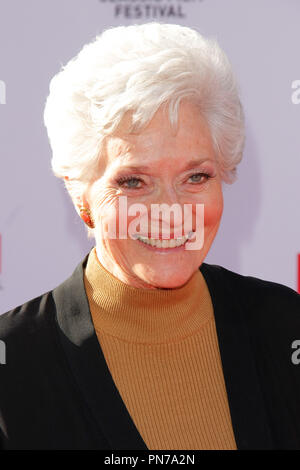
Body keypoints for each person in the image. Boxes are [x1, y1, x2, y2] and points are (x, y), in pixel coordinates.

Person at [0, 22, 299, 451]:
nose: (171, 211)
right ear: (80, 194)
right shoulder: (15, 363)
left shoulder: (285, 327)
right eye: (134, 182)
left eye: (196, 176)